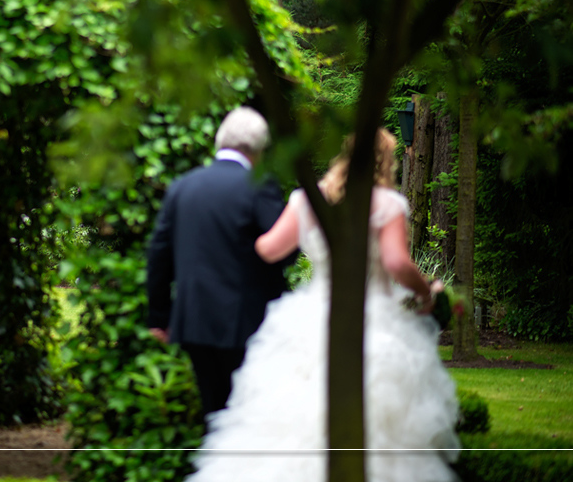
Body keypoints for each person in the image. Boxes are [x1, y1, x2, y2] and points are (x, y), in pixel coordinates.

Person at [188, 128, 460, 482]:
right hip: (373, 318)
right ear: (387, 162)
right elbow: (396, 263)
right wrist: (427, 291)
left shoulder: (306, 200)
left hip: (310, 316)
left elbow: (268, 249)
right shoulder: (387, 205)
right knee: (377, 423)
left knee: (292, 411)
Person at [146, 106, 293, 420]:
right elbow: (284, 250)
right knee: (249, 416)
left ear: (219, 141)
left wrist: (160, 317)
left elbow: (159, 255)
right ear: (258, 149)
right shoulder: (259, 185)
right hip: (248, 323)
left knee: (215, 414)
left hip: (195, 322)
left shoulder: (182, 187)